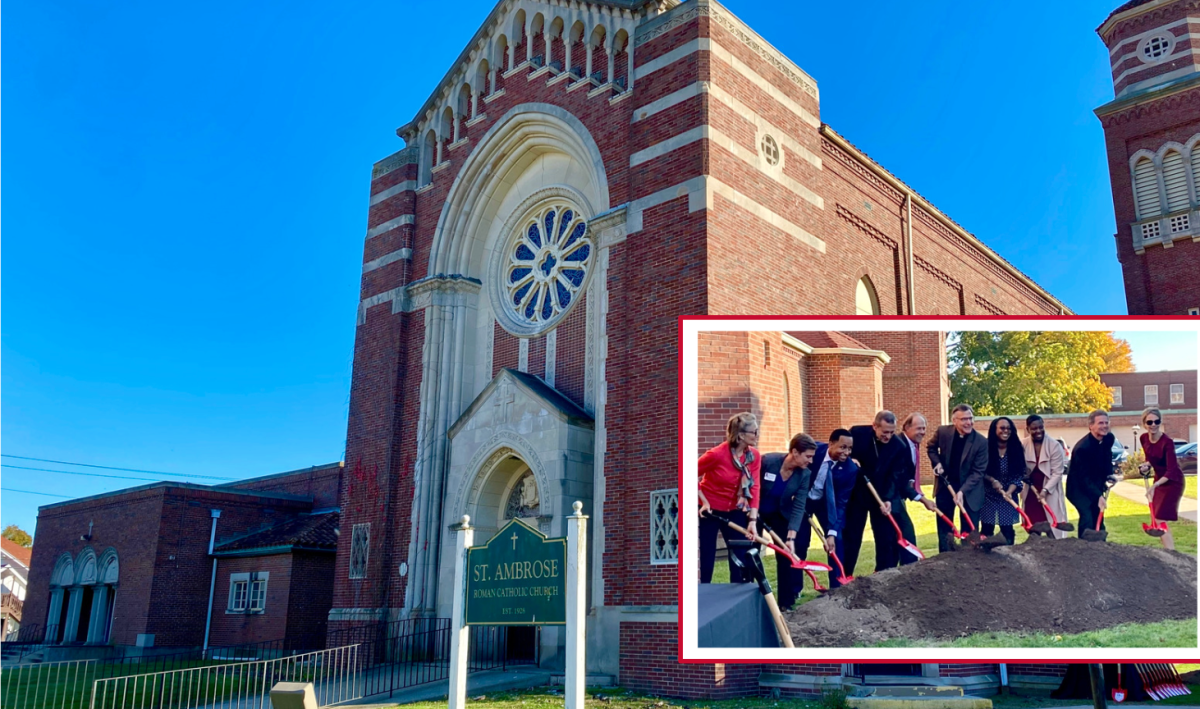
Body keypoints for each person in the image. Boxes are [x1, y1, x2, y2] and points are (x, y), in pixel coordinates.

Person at [844, 411, 912, 573]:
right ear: (875, 426)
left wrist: (888, 498)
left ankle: (882, 575)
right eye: (885, 432)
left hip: (880, 495)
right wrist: (850, 459)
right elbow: (843, 450)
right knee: (852, 536)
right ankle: (844, 576)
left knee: (885, 539)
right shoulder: (857, 434)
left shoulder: (898, 447)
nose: (888, 436)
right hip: (857, 494)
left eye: (891, 432)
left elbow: (894, 476)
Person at [698, 412, 761, 583]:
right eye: (754, 432)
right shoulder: (717, 454)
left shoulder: (753, 456)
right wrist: (704, 501)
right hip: (709, 511)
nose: (757, 435)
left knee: (740, 554)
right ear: (741, 435)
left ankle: (738, 595)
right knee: (706, 556)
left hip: (735, 509)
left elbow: (754, 487)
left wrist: (753, 521)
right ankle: (703, 595)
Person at [757, 432, 817, 609]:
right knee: (751, 554)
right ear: (795, 452)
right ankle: (756, 598)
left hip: (779, 514)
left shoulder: (804, 474)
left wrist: (791, 538)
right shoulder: (767, 461)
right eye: (808, 456)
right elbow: (751, 485)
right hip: (755, 513)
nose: (810, 461)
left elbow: (798, 506)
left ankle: (785, 603)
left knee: (786, 555)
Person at [794, 429, 856, 588]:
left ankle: (836, 587)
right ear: (831, 444)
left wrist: (832, 532)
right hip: (803, 499)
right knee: (800, 543)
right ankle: (795, 588)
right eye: (842, 447)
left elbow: (841, 503)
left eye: (849, 449)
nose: (846, 452)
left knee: (837, 541)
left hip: (826, 504)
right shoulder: (814, 452)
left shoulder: (850, 469)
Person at [927, 404, 988, 549]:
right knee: (945, 529)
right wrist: (937, 464)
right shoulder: (943, 432)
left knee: (969, 532)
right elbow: (931, 447)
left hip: (970, 491)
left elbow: (978, 472)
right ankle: (946, 560)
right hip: (945, 487)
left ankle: (967, 561)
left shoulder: (981, 442)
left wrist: (962, 491)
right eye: (964, 419)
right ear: (954, 421)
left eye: (971, 418)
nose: (969, 422)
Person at [889, 413, 939, 566]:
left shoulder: (912, 445)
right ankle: (908, 569)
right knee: (906, 534)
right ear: (907, 427)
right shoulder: (899, 446)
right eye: (919, 428)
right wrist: (923, 500)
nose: (922, 432)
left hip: (899, 497)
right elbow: (900, 480)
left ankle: (899, 569)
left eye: (924, 428)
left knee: (897, 537)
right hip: (890, 497)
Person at [1066, 410, 1118, 538]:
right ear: (1091, 426)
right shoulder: (1082, 448)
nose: (1104, 426)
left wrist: (1109, 474)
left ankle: (1101, 545)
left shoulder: (1108, 439)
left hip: (1095, 484)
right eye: (1100, 423)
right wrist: (1098, 496)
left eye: (1106, 422)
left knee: (1098, 514)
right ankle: (1085, 548)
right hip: (1078, 489)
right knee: (1087, 515)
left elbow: (1106, 457)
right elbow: (1084, 478)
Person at [1139, 408, 1184, 551]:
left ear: (1160, 422)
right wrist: (1146, 465)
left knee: (1159, 518)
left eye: (1156, 421)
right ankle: (1169, 551)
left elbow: (1171, 470)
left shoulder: (1167, 442)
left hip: (1173, 482)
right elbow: (1149, 457)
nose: (1153, 424)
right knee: (1157, 515)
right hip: (1159, 480)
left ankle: (1170, 552)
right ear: (1144, 424)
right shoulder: (1143, 438)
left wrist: (1155, 485)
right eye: (1149, 422)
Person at [1021, 415, 1068, 539]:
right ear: (1028, 429)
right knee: (1033, 524)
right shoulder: (1023, 444)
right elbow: (1019, 465)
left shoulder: (1054, 445)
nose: (1038, 431)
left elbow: (1057, 472)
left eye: (1041, 427)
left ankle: (1054, 548)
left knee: (1052, 525)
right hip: (1031, 491)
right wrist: (1023, 473)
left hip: (1049, 489)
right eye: (1034, 428)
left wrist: (1045, 490)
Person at [979, 417, 1025, 545]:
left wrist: (1009, 492)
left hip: (1008, 495)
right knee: (987, 529)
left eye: (1008, 428)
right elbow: (980, 470)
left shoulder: (1016, 448)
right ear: (995, 430)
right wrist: (992, 480)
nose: (1006, 431)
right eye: (1002, 428)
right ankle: (987, 556)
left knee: (1007, 531)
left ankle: (1008, 556)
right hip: (989, 495)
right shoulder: (985, 447)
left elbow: (1018, 474)